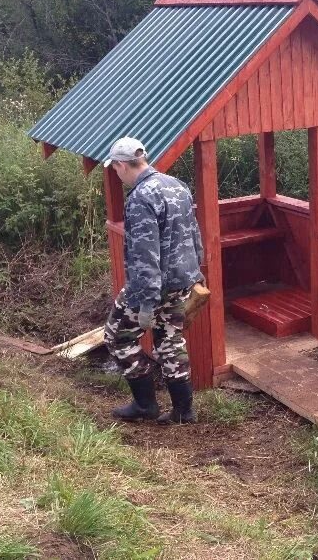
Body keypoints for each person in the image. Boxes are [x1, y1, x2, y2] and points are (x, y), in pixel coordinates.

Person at [101, 137, 204, 425]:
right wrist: (198, 272)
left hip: (152, 288)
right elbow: (194, 234)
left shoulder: (140, 198)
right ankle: (184, 412)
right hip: (182, 282)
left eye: (115, 169)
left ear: (122, 165)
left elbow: (144, 255)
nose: (117, 175)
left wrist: (145, 303)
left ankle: (146, 404)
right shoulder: (177, 185)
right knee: (170, 342)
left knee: (117, 337)